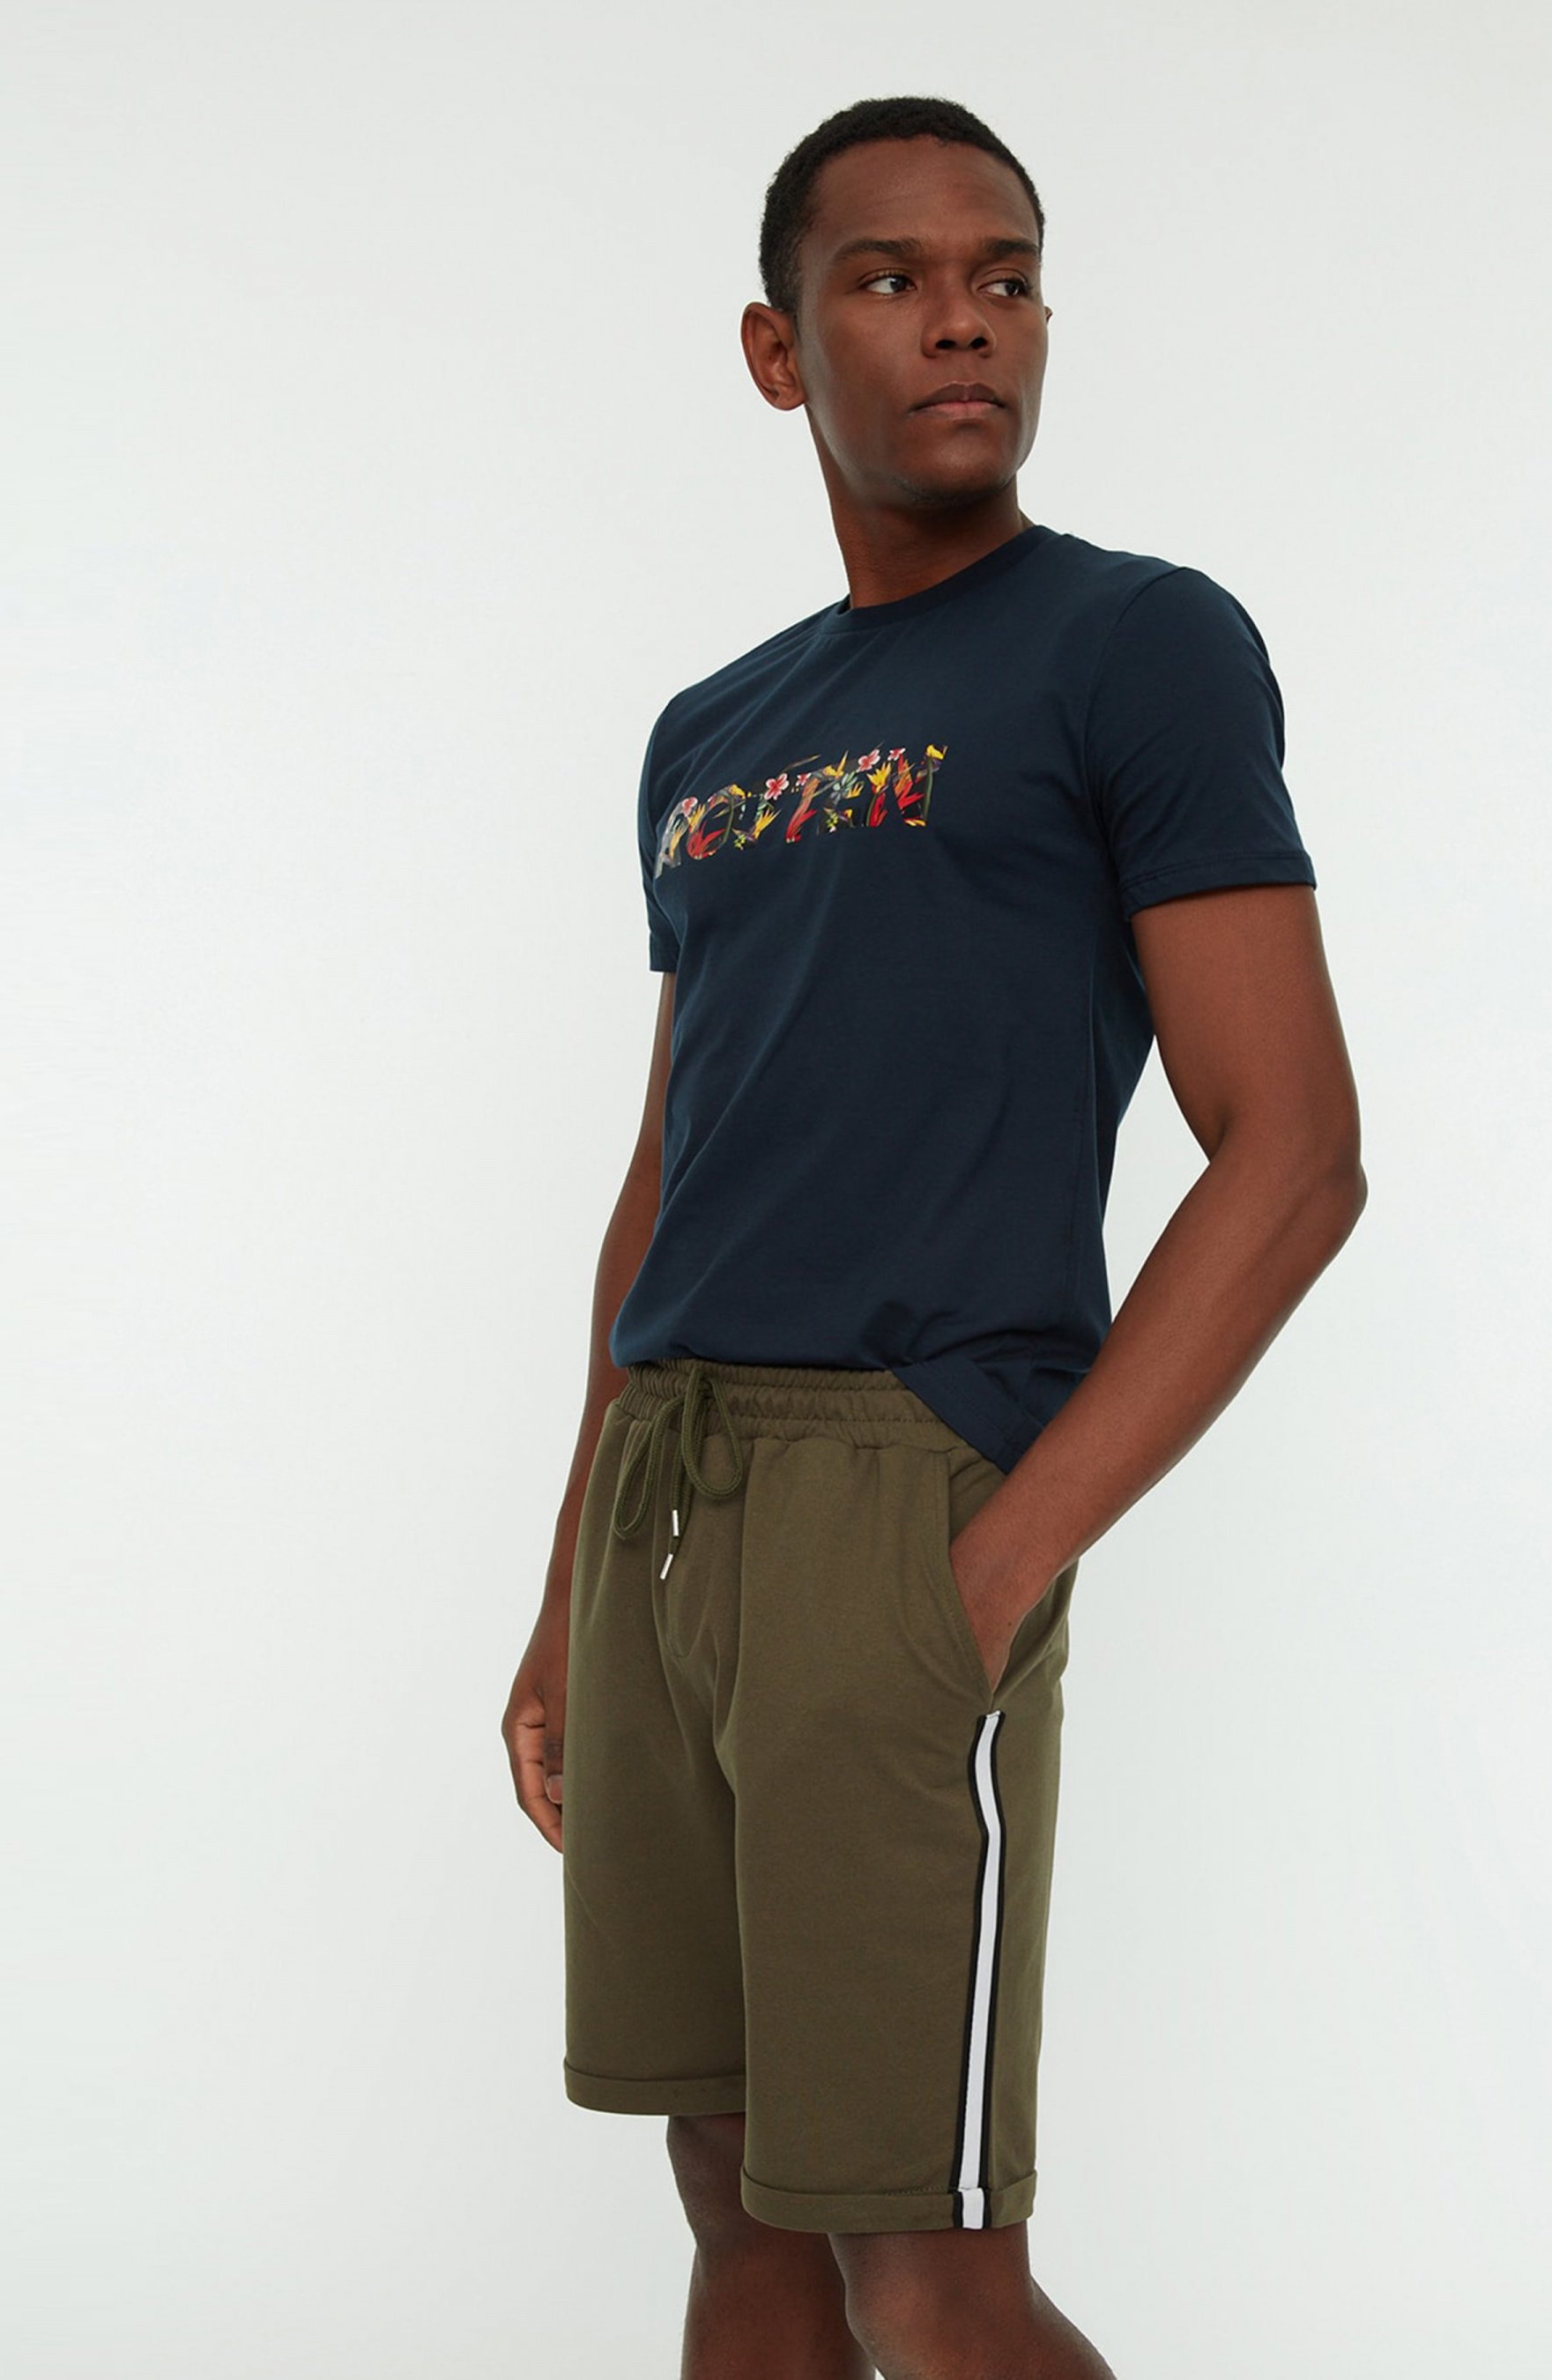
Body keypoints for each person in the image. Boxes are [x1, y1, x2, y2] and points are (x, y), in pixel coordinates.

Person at [502, 91, 1367, 2380]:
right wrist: (573, 1574)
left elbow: (1290, 1152)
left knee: (926, 2258)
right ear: (778, 350)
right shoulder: (713, 731)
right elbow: (673, 1166)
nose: (962, 317)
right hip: (669, 1496)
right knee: (736, 2198)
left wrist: (981, 1574)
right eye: (887, 277)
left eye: (1003, 272)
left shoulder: (1134, 645)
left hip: (903, 1487)